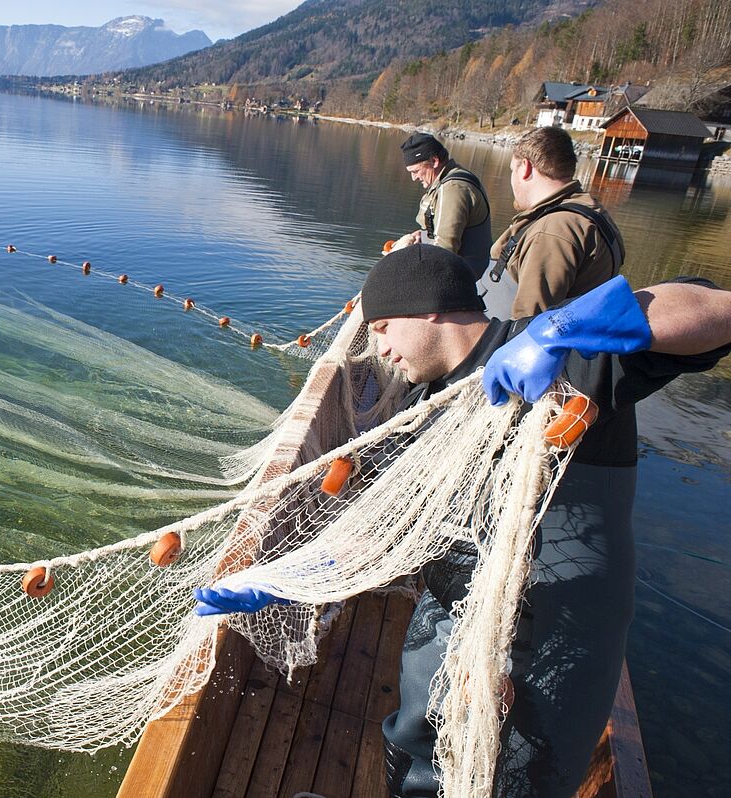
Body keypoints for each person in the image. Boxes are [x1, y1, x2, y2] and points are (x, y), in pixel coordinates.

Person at [195, 245, 731, 796]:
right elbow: (391, 526)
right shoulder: (424, 407)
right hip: (450, 609)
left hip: (554, 626)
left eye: (383, 328)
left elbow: (713, 311)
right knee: (414, 741)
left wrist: (561, 329)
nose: (379, 349)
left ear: (428, 308)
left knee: (513, 775)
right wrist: (293, 578)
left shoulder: (562, 360)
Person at [487, 126, 625, 320]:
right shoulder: (592, 211)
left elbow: (528, 323)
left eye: (512, 170)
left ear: (525, 168)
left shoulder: (552, 231)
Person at [388, 132, 492, 279]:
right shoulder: (450, 180)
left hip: (455, 280)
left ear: (434, 161)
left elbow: (445, 248)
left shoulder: (452, 189)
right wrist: (421, 235)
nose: (414, 178)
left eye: (416, 171)